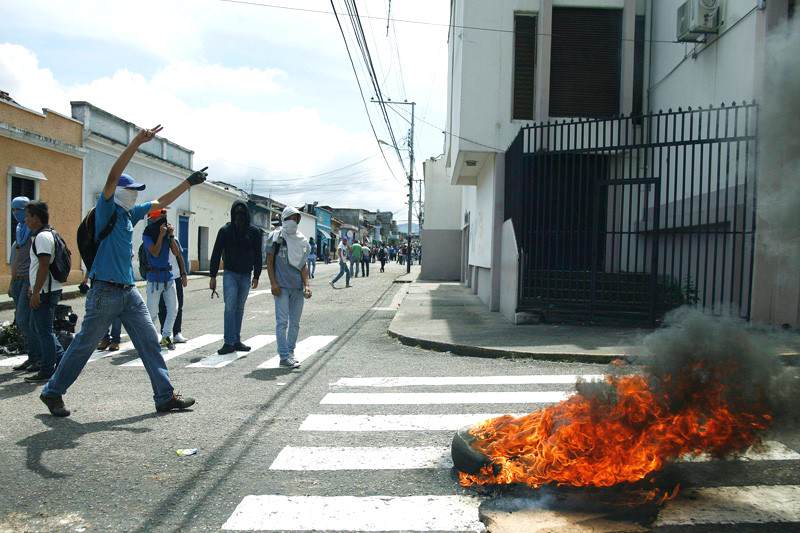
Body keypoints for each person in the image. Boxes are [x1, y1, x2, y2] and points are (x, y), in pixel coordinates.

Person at [41, 124, 205, 417]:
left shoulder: (130, 214)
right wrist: (136, 143)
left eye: (136, 191)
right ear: (118, 192)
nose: (134, 194)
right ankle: (53, 392)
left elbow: (161, 202)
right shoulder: (107, 209)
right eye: (130, 190)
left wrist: (189, 183)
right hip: (104, 291)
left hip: (129, 292)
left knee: (150, 342)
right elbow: (113, 175)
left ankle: (164, 396)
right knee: (83, 346)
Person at [209, 201, 263, 355]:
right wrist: (212, 276)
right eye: (236, 212)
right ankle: (228, 342)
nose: (239, 215)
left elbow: (258, 255)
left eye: (242, 212)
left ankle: (236, 340)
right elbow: (216, 253)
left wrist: (257, 275)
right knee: (230, 307)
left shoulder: (254, 232)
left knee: (239, 308)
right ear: (232, 214)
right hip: (230, 274)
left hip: (246, 275)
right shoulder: (225, 230)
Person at [21, 201, 65, 384]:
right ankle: (61, 359)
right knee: (38, 327)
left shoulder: (42, 237)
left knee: (44, 331)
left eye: (28, 216)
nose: (25, 220)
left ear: (36, 218)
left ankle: (47, 370)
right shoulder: (44, 235)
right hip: (45, 289)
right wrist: (33, 287)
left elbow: (44, 265)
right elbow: (39, 266)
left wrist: (37, 292)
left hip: (46, 292)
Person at [266, 206, 312, 369]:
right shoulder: (275, 237)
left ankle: (291, 352)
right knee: (282, 322)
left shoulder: (301, 240)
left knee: (295, 323)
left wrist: (306, 285)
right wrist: (273, 283)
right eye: (291, 218)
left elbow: (303, 265)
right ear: (284, 219)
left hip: (297, 288)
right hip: (282, 287)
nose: (294, 222)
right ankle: (284, 356)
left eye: (297, 219)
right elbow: (269, 262)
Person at [142, 209, 185, 350]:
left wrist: (171, 235)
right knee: (152, 312)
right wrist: (161, 235)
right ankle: (151, 339)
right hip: (154, 279)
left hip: (168, 278)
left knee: (174, 308)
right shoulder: (147, 234)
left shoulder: (168, 234)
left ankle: (166, 336)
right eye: (160, 218)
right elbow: (154, 252)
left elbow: (176, 252)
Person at [7, 196, 40, 373]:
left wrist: (32, 285)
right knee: (23, 322)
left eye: (18, 210)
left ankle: (38, 357)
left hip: (29, 281)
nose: (15, 214)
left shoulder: (34, 232)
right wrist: (12, 282)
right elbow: (15, 260)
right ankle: (32, 356)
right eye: (13, 210)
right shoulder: (20, 231)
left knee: (24, 320)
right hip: (18, 280)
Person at [159, 238, 188, 343]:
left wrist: (183, 273)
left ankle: (177, 333)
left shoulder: (173, 238)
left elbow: (179, 256)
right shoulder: (153, 238)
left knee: (178, 305)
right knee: (162, 307)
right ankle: (165, 334)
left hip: (175, 276)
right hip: (160, 277)